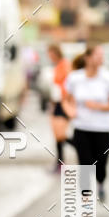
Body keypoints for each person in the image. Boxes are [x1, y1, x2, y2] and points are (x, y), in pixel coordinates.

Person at [63, 46, 109, 202]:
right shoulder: (75, 78)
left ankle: (101, 184)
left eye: (102, 55)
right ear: (88, 58)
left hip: (103, 128)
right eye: (97, 55)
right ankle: (86, 199)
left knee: (101, 165)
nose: (101, 58)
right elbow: (65, 100)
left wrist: (98, 106)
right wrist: (70, 111)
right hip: (81, 128)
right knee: (85, 164)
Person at [47, 44, 71, 172]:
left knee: (61, 134)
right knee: (56, 134)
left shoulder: (65, 64)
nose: (49, 57)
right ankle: (59, 162)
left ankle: (82, 145)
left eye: (51, 54)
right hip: (56, 102)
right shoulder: (56, 66)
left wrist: (66, 99)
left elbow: (68, 83)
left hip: (63, 102)